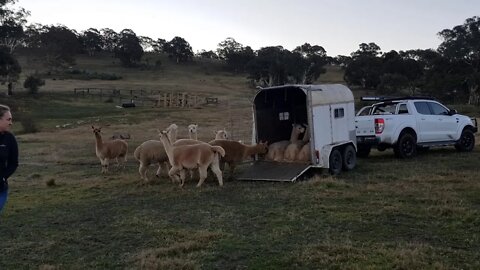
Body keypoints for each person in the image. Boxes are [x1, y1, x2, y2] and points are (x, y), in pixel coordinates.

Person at [0, 104, 18, 214]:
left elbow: (13, 163)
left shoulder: (9, 138)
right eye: (8, 119)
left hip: (0, 190)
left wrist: (2, 177)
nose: (11, 123)